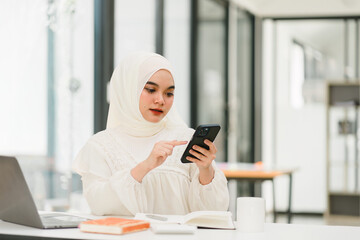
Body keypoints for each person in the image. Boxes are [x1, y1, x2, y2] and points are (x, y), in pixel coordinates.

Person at [73, 52, 229, 216]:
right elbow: (100, 205)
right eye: (151, 89)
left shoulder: (184, 140)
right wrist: (145, 166)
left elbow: (213, 213)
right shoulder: (101, 146)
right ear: (128, 89)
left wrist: (205, 170)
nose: (160, 100)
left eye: (169, 93)